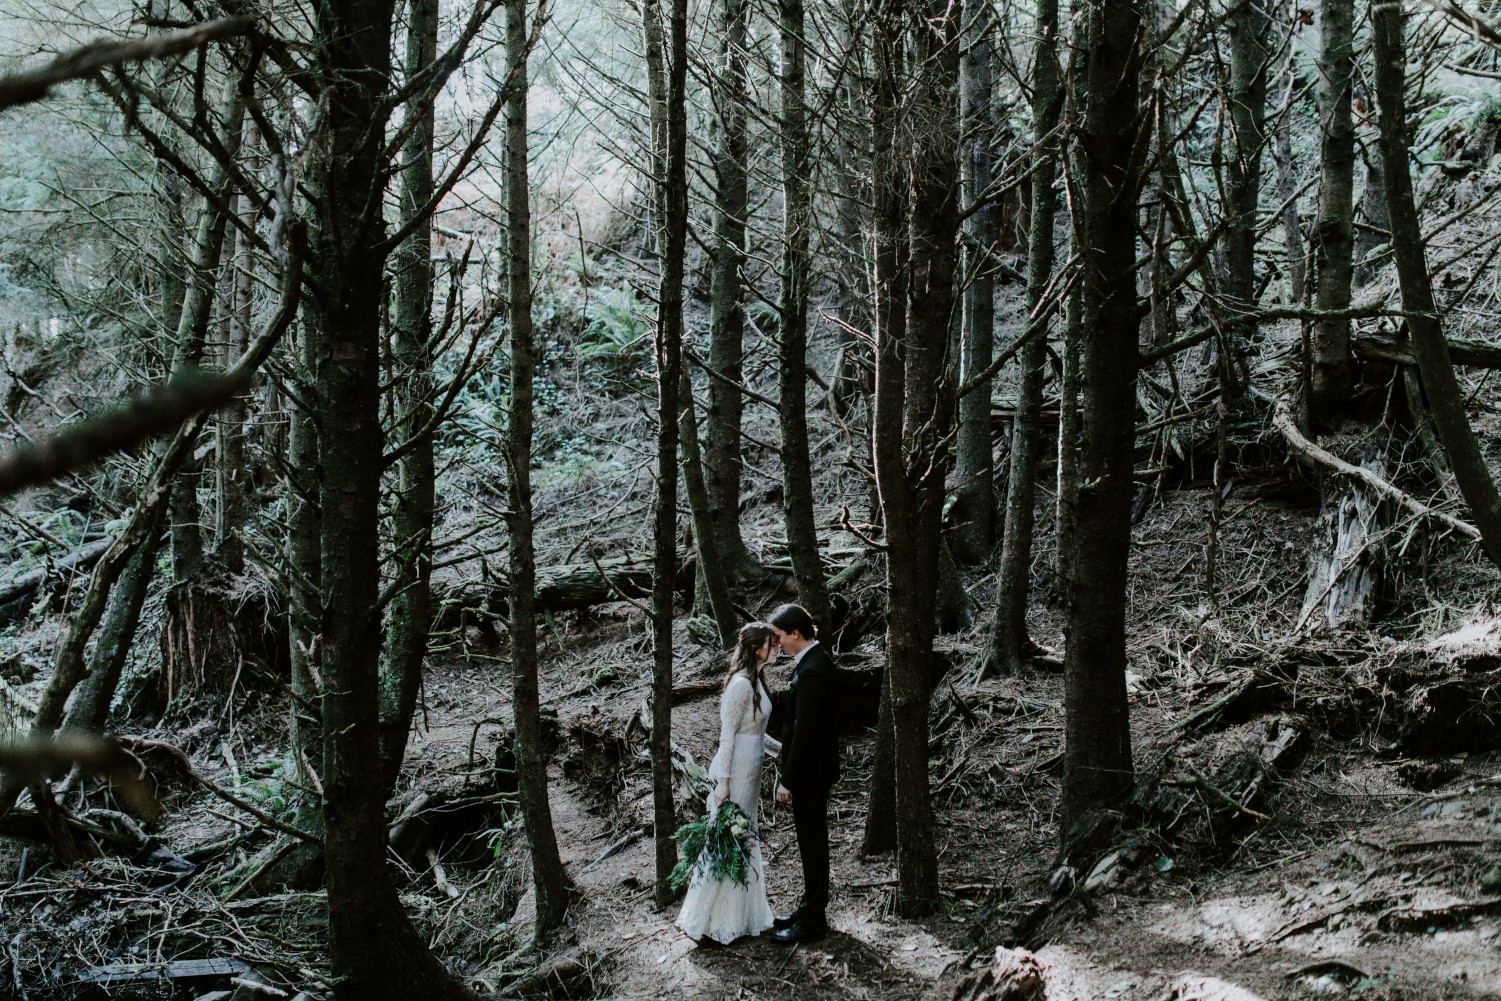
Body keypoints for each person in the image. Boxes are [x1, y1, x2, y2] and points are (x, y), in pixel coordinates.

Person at [676, 622, 782, 944]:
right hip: (733, 774)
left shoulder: (757, 680)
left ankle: (739, 917)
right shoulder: (739, 685)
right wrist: (723, 783)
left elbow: (756, 733)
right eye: (771, 643)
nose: (776, 647)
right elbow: (728, 736)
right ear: (755, 648)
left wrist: (781, 750)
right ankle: (708, 922)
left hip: (750, 774)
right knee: (726, 841)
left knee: (743, 841)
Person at [768, 603, 839, 944]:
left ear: (796, 633)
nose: (777, 644)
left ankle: (813, 921)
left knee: (812, 844)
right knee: (810, 843)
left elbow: (806, 730)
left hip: (811, 772)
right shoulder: (811, 663)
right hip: (812, 769)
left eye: (780, 637)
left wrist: (788, 779)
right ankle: (809, 908)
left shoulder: (813, 669)